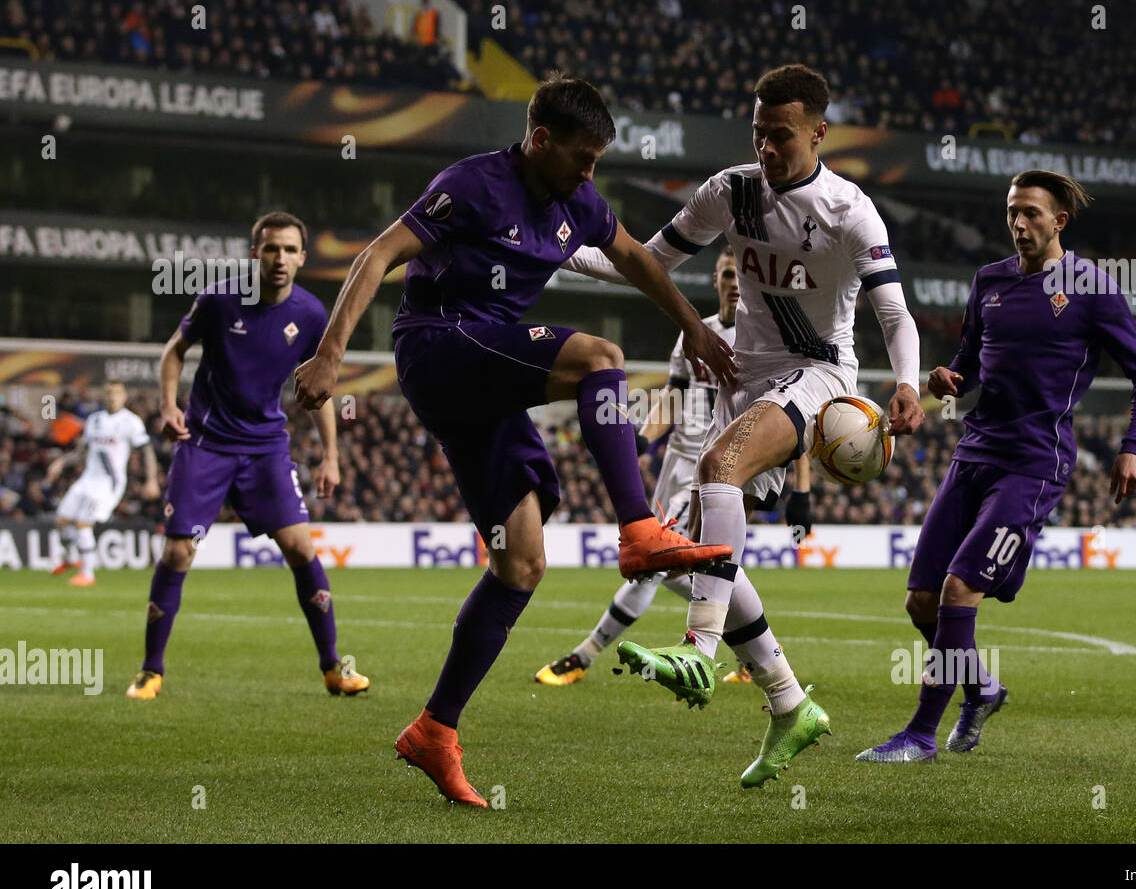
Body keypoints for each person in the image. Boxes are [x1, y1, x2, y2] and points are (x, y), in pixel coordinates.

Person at [293, 74, 737, 807]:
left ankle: (435, 730)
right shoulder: (472, 185)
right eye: (582, 157)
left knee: (522, 563)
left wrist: (691, 324)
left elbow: (634, 258)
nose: (590, 173)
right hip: (438, 347)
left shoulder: (577, 202)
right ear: (539, 141)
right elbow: (377, 254)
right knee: (601, 358)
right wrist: (333, 353)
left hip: (484, 378)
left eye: (598, 160)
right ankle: (638, 530)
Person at [562, 65, 924, 787]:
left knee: (717, 468)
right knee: (690, 556)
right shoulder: (730, 190)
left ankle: (698, 648)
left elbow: (893, 311)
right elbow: (647, 260)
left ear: (820, 132)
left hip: (821, 376)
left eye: (780, 135)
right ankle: (791, 703)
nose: (765, 146)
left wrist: (909, 382)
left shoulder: (850, 211)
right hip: (744, 381)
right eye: (757, 132)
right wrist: (554, 251)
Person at [857, 170, 1136, 762]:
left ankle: (920, 734)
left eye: (1031, 214)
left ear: (1059, 222)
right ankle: (982, 687)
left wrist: (1135, 447)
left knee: (958, 587)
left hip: (1033, 462)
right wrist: (947, 378)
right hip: (974, 453)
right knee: (921, 602)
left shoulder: (1092, 288)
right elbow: (967, 365)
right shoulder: (988, 281)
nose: (1019, 224)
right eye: (1012, 213)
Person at [536, 247, 815, 686]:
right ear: (718, 281)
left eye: (739, 274)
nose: (733, 283)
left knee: (664, 565)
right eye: (726, 274)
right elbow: (674, 395)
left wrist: (801, 489)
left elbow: (791, 410)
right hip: (677, 462)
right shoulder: (696, 332)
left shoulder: (764, 335)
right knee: (671, 564)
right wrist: (642, 440)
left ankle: (584, 657)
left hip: (716, 465)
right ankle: (751, 653)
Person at [126, 212, 369, 701]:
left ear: (302, 258)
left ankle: (333, 669)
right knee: (178, 551)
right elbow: (174, 351)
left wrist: (331, 457)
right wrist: (170, 405)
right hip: (206, 443)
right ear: (254, 252)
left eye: (288, 250)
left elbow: (319, 386)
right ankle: (151, 671)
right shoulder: (218, 299)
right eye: (270, 248)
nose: (279, 258)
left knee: (301, 548)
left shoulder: (312, 314)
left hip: (265, 448)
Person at [47, 382, 159, 586]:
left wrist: (151, 479)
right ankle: (73, 558)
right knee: (62, 520)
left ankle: (87, 574)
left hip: (108, 483)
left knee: (83, 523)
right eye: (108, 393)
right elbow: (82, 450)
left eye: (116, 394)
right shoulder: (95, 420)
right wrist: (61, 462)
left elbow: (146, 450)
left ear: (124, 397)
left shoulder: (130, 422)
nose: (112, 397)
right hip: (88, 479)